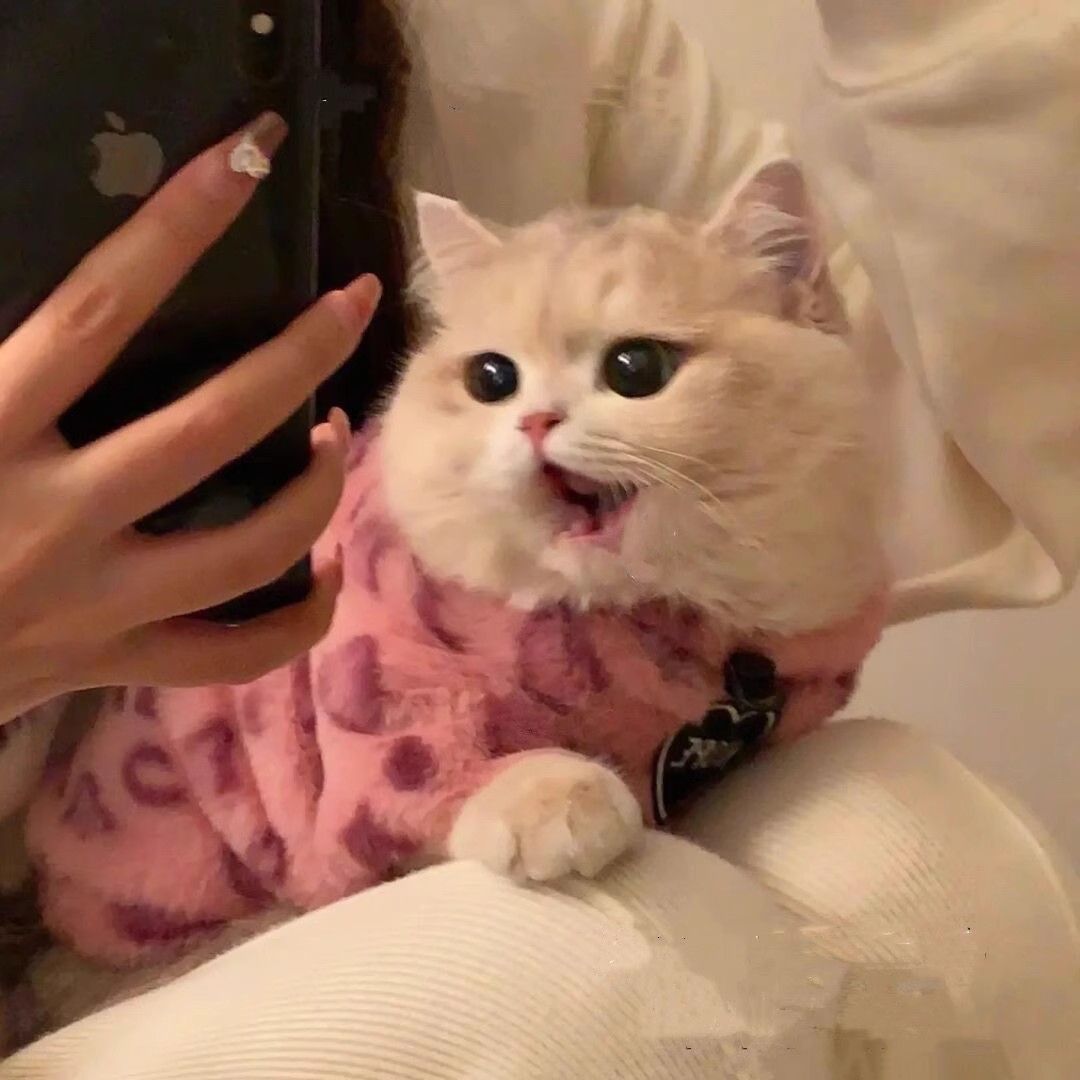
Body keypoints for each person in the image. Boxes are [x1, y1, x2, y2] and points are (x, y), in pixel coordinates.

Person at [2, 0, 1078, 1075]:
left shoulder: (536, 31)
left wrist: (937, 33)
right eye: (491, 378)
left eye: (633, 368)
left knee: (917, 855)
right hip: (118, 911)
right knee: (555, 971)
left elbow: (950, 439)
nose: (540, 424)